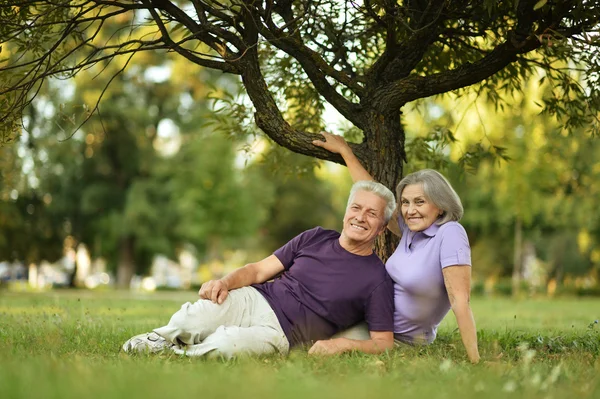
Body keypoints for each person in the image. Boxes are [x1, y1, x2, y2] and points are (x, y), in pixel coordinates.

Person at [122, 180, 396, 358]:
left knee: (227, 347)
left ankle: (174, 352)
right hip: (255, 299)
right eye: (356, 208)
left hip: (283, 335)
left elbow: (383, 342)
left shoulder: (377, 279)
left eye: (372, 213)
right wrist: (225, 283)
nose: (360, 217)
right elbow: (257, 271)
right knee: (190, 320)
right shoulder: (315, 237)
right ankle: (160, 337)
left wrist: (340, 344)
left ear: (382, 228)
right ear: (346, 211)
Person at [313, 132, 480, 364]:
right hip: (370, 319)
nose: (410, 210)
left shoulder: (449, 233)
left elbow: (460, 301)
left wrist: (476, 361)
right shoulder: (412, 229)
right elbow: (373, 193)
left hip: (398, 338)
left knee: (318, 347)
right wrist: (345, 152)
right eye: (405, 202)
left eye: (419, 202)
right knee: (307, 324)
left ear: (440, 207)